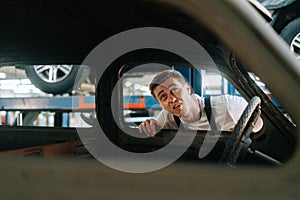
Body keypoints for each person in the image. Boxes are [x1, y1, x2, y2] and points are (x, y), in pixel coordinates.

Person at [138, 69, 263, 137]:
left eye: (174, 89)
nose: (171, 99)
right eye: (163, 96)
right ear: (161, 105)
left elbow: (259, 122)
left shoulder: (228, 104)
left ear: (187, 89)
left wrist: (249, 127)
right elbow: (150, 130)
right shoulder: (167, 117)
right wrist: (148, 126)